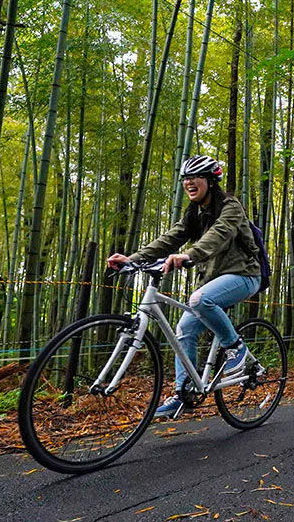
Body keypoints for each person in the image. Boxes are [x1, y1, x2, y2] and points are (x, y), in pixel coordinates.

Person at [106, 155, 261, 418]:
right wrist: (132, 260)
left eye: (195, 177)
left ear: (211, 181)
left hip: (244, 275)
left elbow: (219, 234)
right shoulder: (194, 213)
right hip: (213, 282)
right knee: (184, 329)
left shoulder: (231, 207)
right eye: (185, 179)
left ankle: (237, 349)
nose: (189, 182)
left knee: (199, 300)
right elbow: (171, 238)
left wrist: (189, 255)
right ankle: (183, 394)